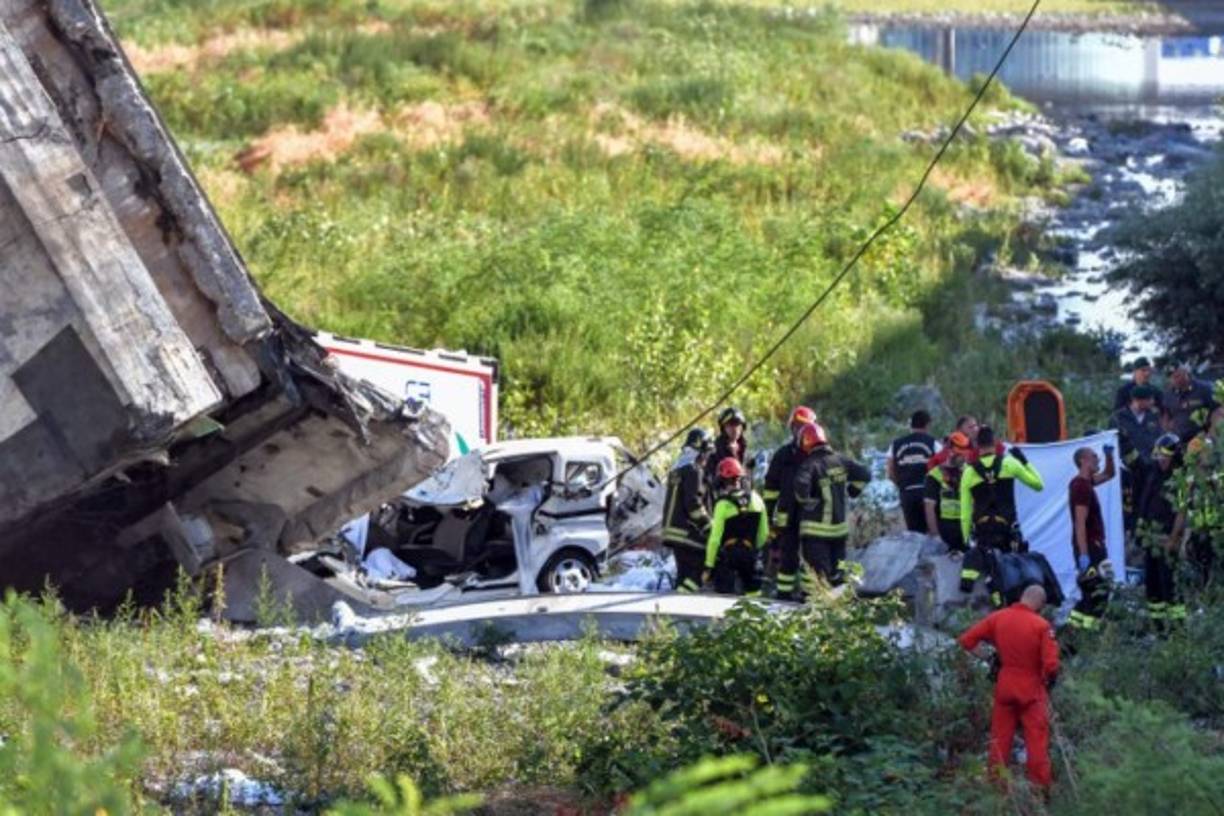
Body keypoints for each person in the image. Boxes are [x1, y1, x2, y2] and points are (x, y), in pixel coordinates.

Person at [958, 584, 1059, 792]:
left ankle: (996, 787)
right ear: (1040, 603)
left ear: (1022, 596)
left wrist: (991, 658)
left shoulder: (998, 617)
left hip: (1005, 686)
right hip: (1031, 690)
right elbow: (1051, 665)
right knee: (1037, 742)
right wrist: (1050, 683)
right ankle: (1040, 791)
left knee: (1000, 739)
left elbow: (966, 640)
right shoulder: (1041, 625)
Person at [959, 427, 1043, 603]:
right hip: (1007, 529)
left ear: (976, 446)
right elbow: (1038, 484)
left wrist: (966, 538)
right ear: (995, 442)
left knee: (990, 566)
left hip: (982, 532)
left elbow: (965, 512)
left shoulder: (969, 472)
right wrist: (1024, 461)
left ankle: (996, 596)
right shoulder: (1009, 463)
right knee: (1013, 567)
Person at [792, 422, 871, 586]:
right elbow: (865, 474)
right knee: (838, 576)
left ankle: (812, 607)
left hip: (815, 532)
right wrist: (853, 491)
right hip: (839, 532)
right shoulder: (841, 460)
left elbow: (800, 491)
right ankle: (837, 609)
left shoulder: (809, 465)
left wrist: (807, 500)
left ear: (805, 442)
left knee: (816, 577)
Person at [765, 405, 817, 600]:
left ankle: (808, 594)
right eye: (795, 426)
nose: (798, 431)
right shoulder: (783, 455)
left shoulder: (818, 455)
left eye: (802, 426)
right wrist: (769, 513)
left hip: (812, 515)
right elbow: (771, 486)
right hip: (788, 515)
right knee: (788, 555)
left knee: (811, 556)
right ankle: (784, 594)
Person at [1137, 433, 1186, 629]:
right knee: (1153, 584)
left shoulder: (1179, 478)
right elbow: (1145, 503)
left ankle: (1177, 628)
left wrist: (1174, 539)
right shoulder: (1153, 474)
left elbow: (1182, 512)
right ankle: (1157, 626)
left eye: (1164, 457)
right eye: (1158, 457)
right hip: (1151, 539)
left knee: (1170, 584)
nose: (1161, 460)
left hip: (1167, 538)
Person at [1066, 446, 1117, 633]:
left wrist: (1110, 456)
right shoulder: (1080, 487)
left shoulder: (1086, 483)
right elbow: (1080, 523)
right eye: (1094, 456)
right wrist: (1084, 554)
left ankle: (1073, 632)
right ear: (1083, 460)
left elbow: (1109, 474)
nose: (1098, 459)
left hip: (1093, 547)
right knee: (1098, 591)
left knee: (1091, 592)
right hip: (1091, 548)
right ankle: (1089, 634)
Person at [704, 458, 769, 595]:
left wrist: (709, 565)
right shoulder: (757, 499)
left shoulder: (722, 504)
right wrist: (753, 551)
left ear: (722, 480)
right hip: (751, 556)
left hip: (729, 559)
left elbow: (715, 539)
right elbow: (764, 534)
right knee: (754, 597)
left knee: (725, 597)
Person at [663, 428, 714, 593]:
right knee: (702, 561)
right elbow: (693, 504)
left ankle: (676, 604)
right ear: (701, 451)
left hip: (672, 531)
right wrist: (708, 525)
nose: (707, 458)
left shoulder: (677, 468)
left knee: (683, 573)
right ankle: (682, 597)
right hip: (684, 530)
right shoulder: (694, 470)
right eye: (707, 453)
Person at [1108, 384, 1162, 535]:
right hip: (1128, 471)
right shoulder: (1118, 418)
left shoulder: (1153, 416)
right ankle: (1127, 533)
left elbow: (1158, 438)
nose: (1152, 402)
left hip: (1151, 469)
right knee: (1128, 507)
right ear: (1138, 400)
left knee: (1148, 503)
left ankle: (1144, 533)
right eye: (1149, 399)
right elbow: (1115, 443)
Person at [888, 410, 938, 533]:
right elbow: (941, 467)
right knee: (933, 532)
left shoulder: (895, 444)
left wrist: (901, 485)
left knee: (914, 534)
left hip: (907, 492)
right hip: (928, 493)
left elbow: (890, 471)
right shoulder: (933, 443)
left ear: (911, 425)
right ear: (927, 425)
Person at [924, 431, 973, 554]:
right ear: (951, 452)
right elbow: (929, 507)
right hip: (946, 529)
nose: (964, 458)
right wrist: (935, 536)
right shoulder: (935, 475)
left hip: (967, 527)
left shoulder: (970, 472)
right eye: (961, 455)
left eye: (966, 455)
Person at [1163, 364, 1218, 441]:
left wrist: (1211, 436)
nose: (1174, 380)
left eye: (1177, 376)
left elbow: (1218, 412)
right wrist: (1168, 432)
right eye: (1171, 377)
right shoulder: (1168, 394)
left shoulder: (1205, 389)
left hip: (1204, 439)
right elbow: (1166, 415)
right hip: (1179, 441)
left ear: (1186, 372)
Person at [707, 407, 749, 484]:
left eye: (737, 424)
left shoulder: (744, 449)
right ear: (723, 428)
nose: (734, 429)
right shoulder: (714, 451)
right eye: (730, 425)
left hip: (743, 493)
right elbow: (710, 480)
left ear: (742, 427)